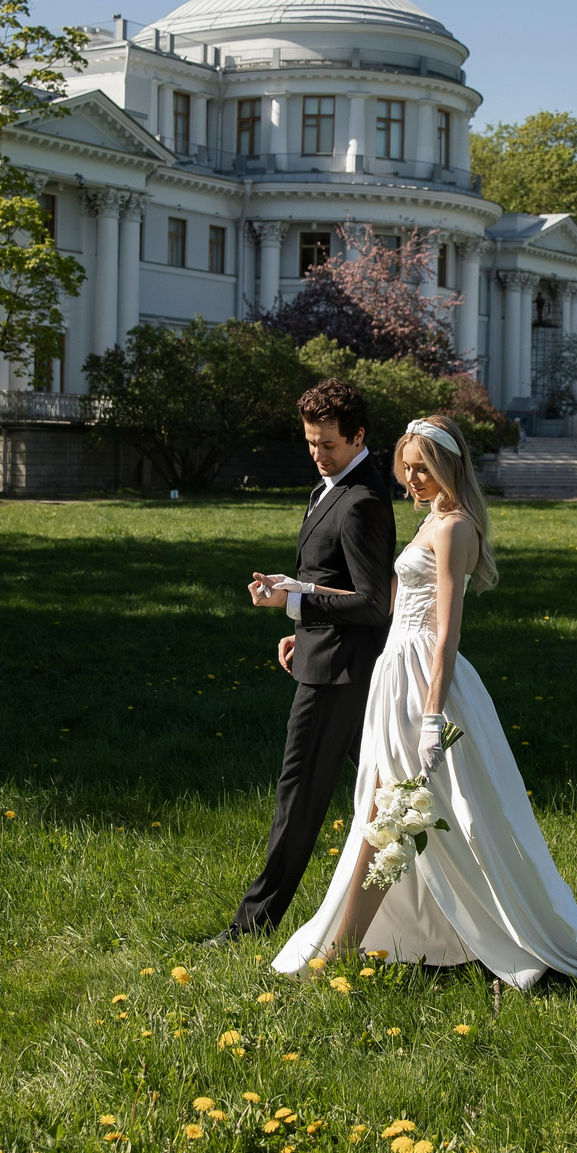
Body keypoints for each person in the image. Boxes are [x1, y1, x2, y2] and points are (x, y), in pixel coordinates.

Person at [271, 415, 577, 989]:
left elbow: (445, 635)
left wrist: (433, 718)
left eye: (422, 470)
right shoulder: (430, 521)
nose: (411, 480)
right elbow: (380, 605)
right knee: (388, 812)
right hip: (395, 674)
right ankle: (402, 939)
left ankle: (345, 951)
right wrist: (301, 600)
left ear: (449, 468)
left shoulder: (455, 528)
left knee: (397, 813)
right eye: (405, 469)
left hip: (423, 683)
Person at [207, 378, 397, 943]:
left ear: (358, 436)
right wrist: (300, 616)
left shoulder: (361, 498)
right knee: (393, 799)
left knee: (300, 796)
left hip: (341, 671)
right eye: (310, 442)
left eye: (328, 445)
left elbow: (372, 603)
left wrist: (293, 601)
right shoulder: (333, 484)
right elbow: (331, 582)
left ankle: (252, 927)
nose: (317, 455)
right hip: (325, 652)